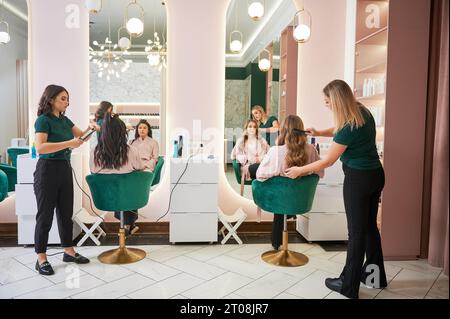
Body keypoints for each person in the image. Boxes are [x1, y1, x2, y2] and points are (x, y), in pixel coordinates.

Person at [285, 79, 387, 299]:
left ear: (337, 100)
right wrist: (321, 131)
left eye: (327, 101)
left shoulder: (349, 125)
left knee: (357, 233)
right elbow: (339, 130)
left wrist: (299, 171)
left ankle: (348, 285)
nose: (326, 105)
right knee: (369, 227)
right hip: (376, 175)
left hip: (358, 180)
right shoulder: (362, 112)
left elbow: (328, 161)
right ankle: (374, 277)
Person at [34, 85, 93, 276]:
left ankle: (68, 251)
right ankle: (41, 258)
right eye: (63, 98)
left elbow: (80, 137)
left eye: (68, 99)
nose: (67, 102)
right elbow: (40, 148)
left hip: (64, 169)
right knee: (45, 216)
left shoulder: (65, 120)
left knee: (66, 213)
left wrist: (91, 128)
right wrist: (69, 143)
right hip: (47, 171)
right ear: (51, 99)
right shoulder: (43, 121)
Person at [256, 115, 324, 250]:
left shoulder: (275, 151)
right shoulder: (311, 149)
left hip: (280, 199)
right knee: (285, 194)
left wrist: (278, 174)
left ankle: (276, 243)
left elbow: (260, 175)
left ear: (283, 130)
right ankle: (281, 233)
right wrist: (303, 173)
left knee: (280, 194)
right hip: (301, 199)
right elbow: (320, 173)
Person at [90, 114, 145, 236]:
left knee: (120, 185)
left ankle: (127, 225)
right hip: (128, 198)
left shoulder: (95, 151)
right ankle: (128, 224)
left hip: (105, 198)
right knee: (129, 184)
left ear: (103, 132)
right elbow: (140, 167)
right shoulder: (131, 150)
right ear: (122, 132)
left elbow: (93, 172)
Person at [231, 120, 270, 194]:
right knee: (266, 170)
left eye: (254, 127)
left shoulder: (262, 140)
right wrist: (252, 159)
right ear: (246, 128)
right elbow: (234, 155)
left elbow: (270, 152)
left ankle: (265, 196)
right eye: (250, 126)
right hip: (249, 166)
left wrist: (262, 158)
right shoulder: (241, 141)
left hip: (262, 164)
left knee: (272, 168)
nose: (252, 128)